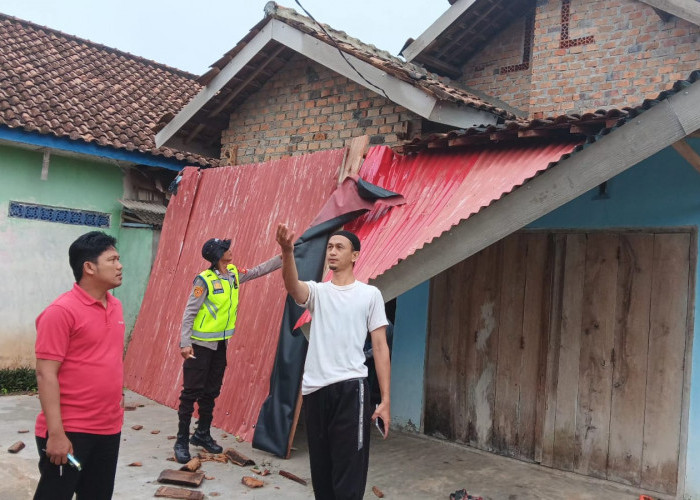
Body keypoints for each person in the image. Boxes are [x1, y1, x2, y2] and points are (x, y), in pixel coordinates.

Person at [276, 223, 391, 500]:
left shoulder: (369, 295)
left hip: (351, 388)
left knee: (349, 470)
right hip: (315, 389)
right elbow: (293, 288)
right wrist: (287, 251)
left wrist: (385, 399)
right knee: (322, 470)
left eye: (340, 247)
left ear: (354, 255)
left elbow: (379, 346)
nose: (332, 252)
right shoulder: (318, 292)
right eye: (330, 247)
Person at [34, 231, 125, 500]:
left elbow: (106, 358)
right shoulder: (61, 312)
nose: (120, 266)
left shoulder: (116, 306)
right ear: (89, 267)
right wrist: (56, 434)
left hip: (108, 429)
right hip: (70, 433)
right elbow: (45, 373)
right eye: (113, 260)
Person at [174, 237, 281, 463]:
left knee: (211, 390)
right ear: (216, 256)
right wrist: (185, 343)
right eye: (225, 249)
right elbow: (189, 312)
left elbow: (256, 271)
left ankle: (202, 433)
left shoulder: (233, 273)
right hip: (199, 345)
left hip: (220, 344)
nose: (230, 250)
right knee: (190, 393)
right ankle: (181, 440)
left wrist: (284, 257)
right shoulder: (204, 280)